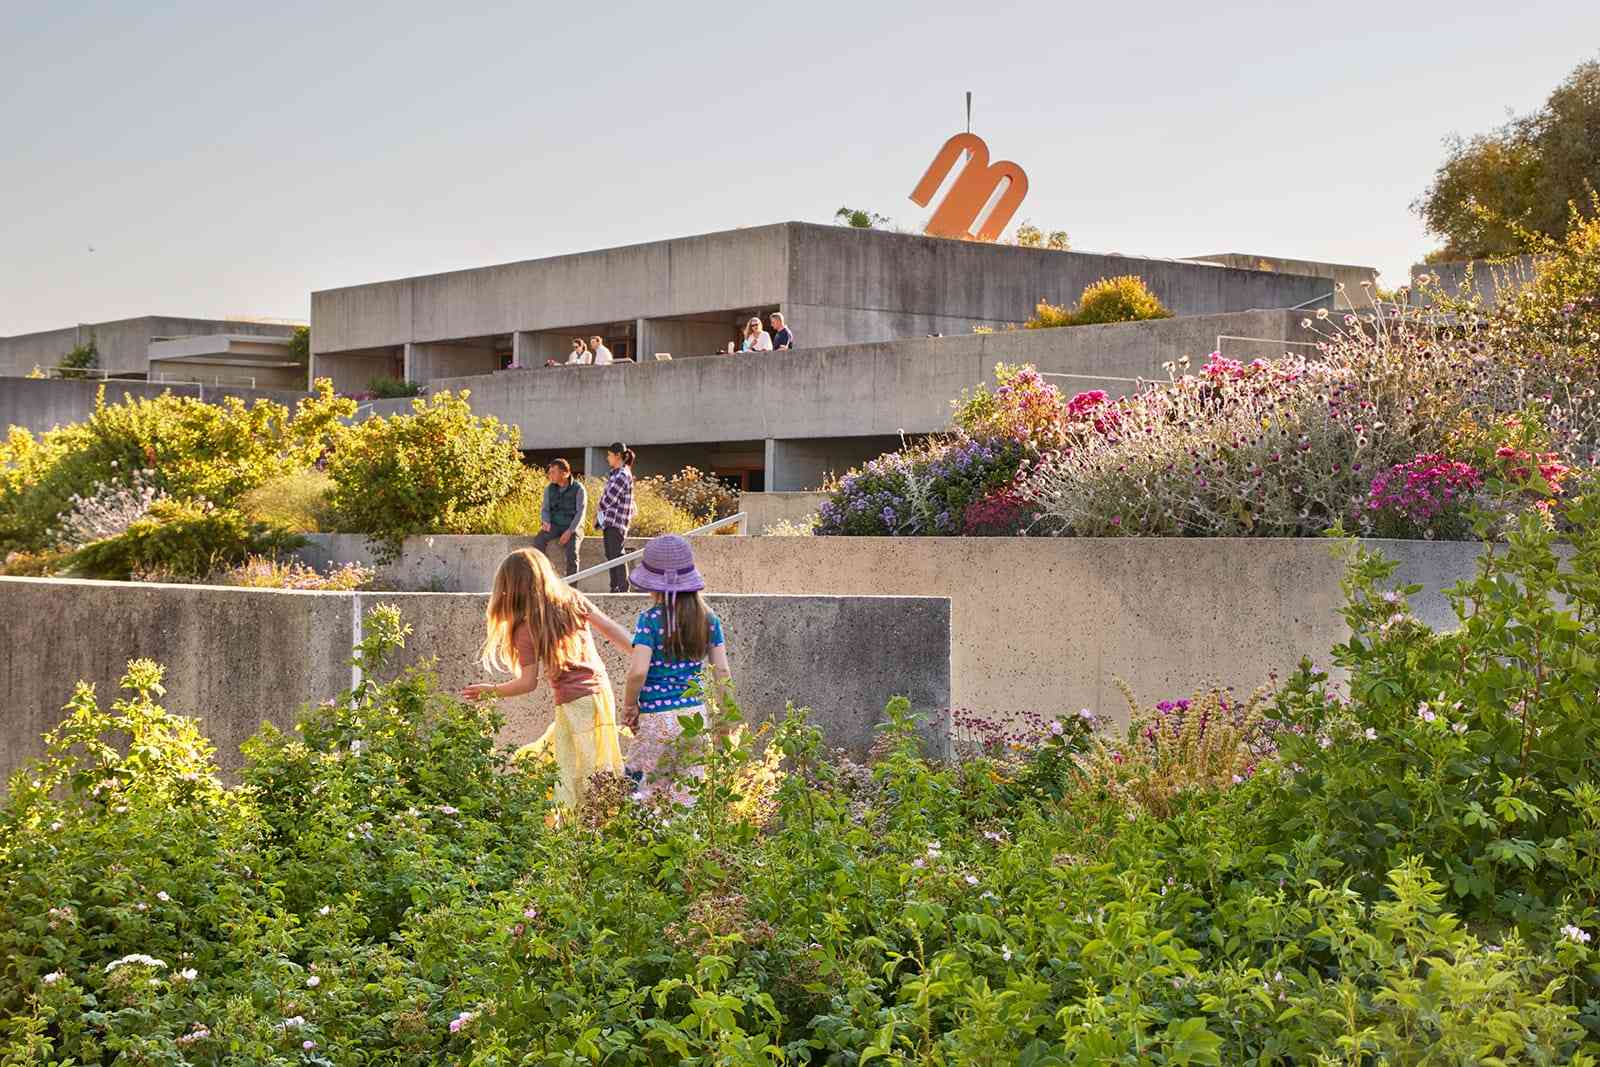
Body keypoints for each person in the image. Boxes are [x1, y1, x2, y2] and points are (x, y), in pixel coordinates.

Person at [460, 549, 633, 813]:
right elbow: (610, 628)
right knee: (595, 763)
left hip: (574, 702)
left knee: (571, 771)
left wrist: (490, 691)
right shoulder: (572, 600)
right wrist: (641, 651)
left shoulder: (526, 627)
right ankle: (600, 823)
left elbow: (527, 683)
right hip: (601, 693)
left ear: (509, 587)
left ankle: (575, 833)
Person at [621, 534, 733, 804]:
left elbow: (638, 672)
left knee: (642, 795)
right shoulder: (709, 620)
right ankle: (687, 845)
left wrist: (629, 706)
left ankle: (646, 844)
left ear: (652, 584)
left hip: (657, 719)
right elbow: (723, 674)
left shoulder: (649, 620)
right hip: (694, 718)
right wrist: (726, 719)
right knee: (686, 798)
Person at [530, 459, 586, 576]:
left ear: (565, 473)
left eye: (553, 472)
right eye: (549, 472)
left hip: (573, 526)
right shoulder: (549, 489)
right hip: (555, 525)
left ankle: (571, 587)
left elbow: (580, 512)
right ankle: (544, 576)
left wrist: (570, 531)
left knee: (572, 554)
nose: (550, 475)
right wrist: (545, 521)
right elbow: (545, 509)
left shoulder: (579, 489)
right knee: (538, 541)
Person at [596, 442, 637, 593]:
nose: (607, 458)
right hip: (611, 521)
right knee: (611, 554)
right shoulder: (617, 473)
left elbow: (609, 498)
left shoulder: (622, 474)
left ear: (618, 455)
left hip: (616, 520)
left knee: (616, 554)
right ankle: (615, 587)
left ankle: (621, 587)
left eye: (609, 455)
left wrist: (600, 505)